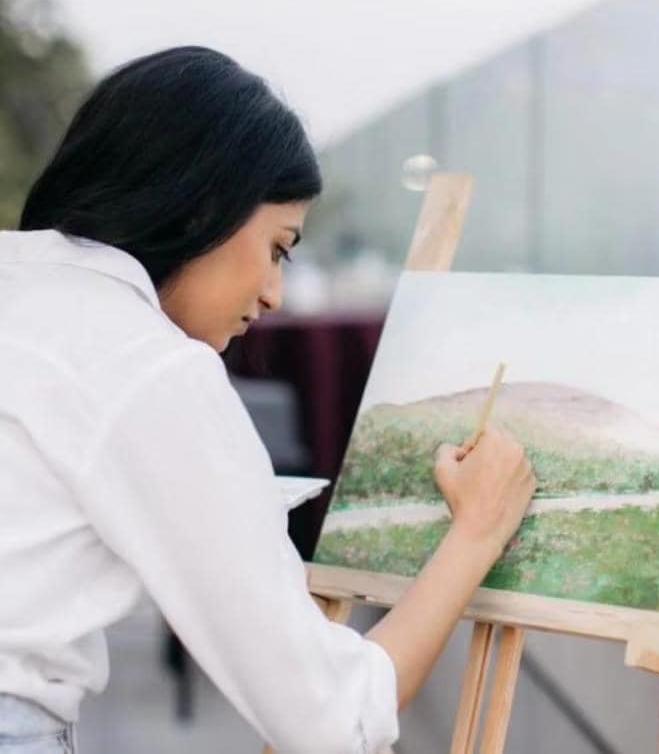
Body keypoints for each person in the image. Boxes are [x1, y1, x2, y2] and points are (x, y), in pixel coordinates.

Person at [0, 47, 536, 753]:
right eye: (279, 248)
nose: (275, 294)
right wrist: (478, 531)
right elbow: (332, 721)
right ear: (203, 209)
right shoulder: (148, 366)